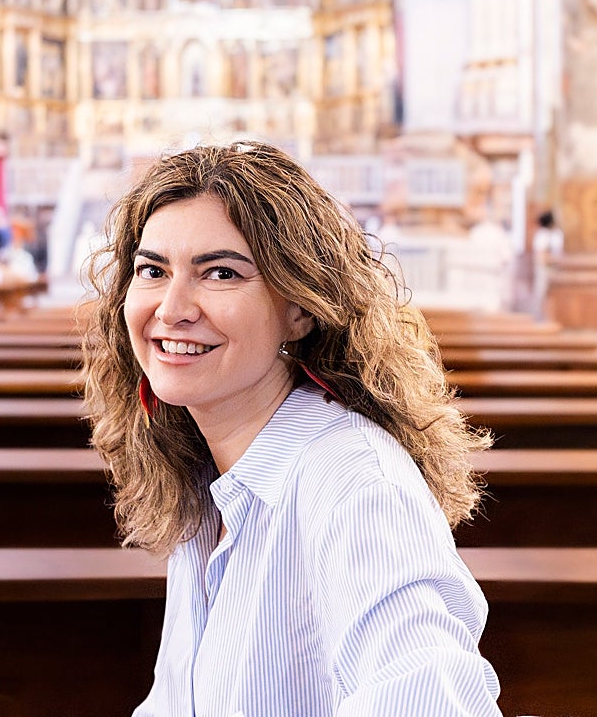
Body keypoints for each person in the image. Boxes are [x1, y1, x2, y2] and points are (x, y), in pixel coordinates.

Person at [84, 141, 502, 716]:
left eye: (221, 273)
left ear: (300, 308)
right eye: (152, 270)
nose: (172, 306)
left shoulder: (355, 485)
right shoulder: (213, 474)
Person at [531, 209, 564, 321]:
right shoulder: (542, 236)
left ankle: (552, 318)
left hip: (555, 269)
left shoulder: (557, 234)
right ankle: (542, 318)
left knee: (553, 295)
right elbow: (542, 257)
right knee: (542, 294)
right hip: (544, 270)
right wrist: (555, 260)